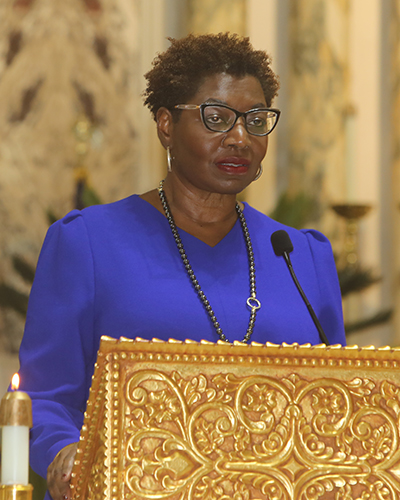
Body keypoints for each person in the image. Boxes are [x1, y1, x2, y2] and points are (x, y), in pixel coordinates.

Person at [17, 33, 346, 500]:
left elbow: (335, 405)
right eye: (216, 118)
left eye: (256, 121)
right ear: (166, 125)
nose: (240, 137)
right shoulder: (87, 243)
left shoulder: (300, 256)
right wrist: (65, 454)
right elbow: (46, 397)